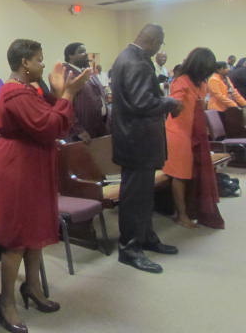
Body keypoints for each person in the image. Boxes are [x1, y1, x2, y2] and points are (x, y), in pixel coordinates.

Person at [0, 39, 90, 332]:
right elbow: (49, 126)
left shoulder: (29, 89)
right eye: (39, 60)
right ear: (25, 63)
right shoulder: (14, 92)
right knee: (16, 238)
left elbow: (55, 119)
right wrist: (68, 93)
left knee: (33, 232)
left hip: (31, 164)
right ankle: (6, 302)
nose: (43, 65)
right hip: (16, 168)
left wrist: (61, 93)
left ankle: (32, 287)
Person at [111, 24, 182, 274]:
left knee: (143, 196)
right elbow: (143, 103)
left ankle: (146, 237)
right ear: (154, 41)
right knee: (134, 198)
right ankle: (129, 249)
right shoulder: (136, 62)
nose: (159, 49)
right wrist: (170, 102)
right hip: (137, 141)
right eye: (160, 44)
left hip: (134, 139)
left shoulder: (129, 57)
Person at [164, 47, 224, 230]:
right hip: (179, 133)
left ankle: (192, 210)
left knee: (197, 172)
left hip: (196, 133)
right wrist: (177, 102)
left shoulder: (201, 82)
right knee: (180, 174)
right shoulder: (181, 81)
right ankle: (181, 215)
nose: (207, 74)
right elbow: (174, 105)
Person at [63, 42, 108, 142]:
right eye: (81, 52)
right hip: (81, 134)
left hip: (99, 127)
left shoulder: (87, 72)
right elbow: (65, 106)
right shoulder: (67, 75)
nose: (86, 54)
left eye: (85, 51)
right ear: (70, 56)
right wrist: (78, 130)